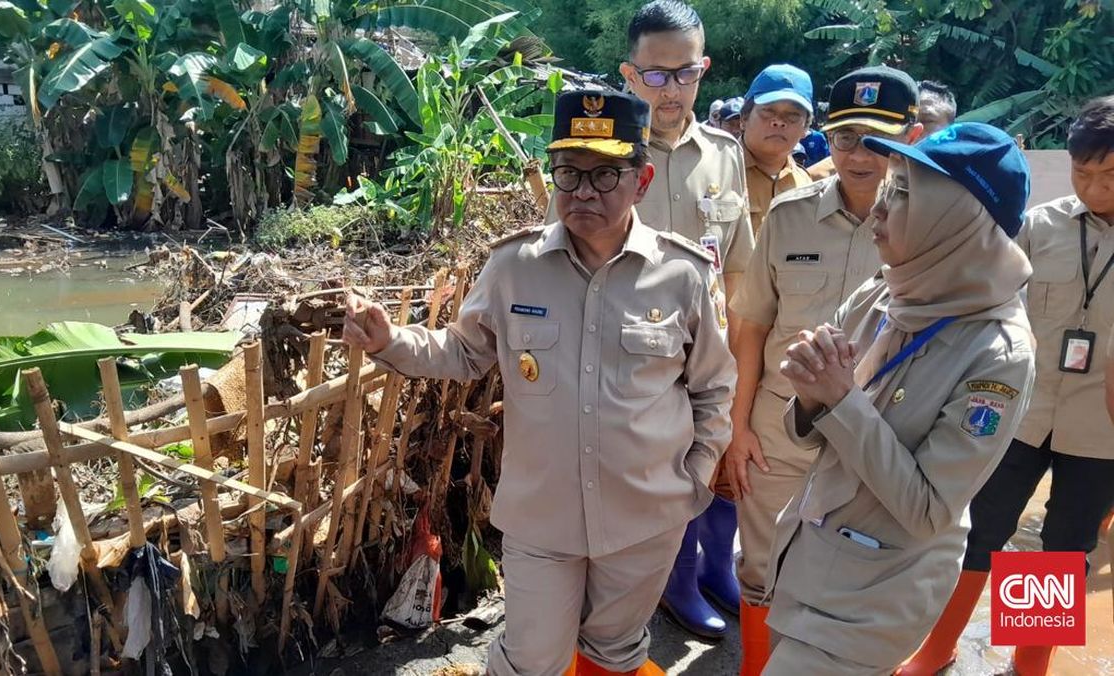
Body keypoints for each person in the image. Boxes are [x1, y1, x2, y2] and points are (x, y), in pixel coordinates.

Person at [344, 89, 737, 676]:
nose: (583, 191)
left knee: (616, 651)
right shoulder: (513, 266)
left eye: (606, 175)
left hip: (647, 515)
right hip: (542, 515)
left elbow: (713, 388)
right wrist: (388, 342)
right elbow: (465, 352)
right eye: (569, 172)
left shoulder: (683, 274)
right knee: (529, 659)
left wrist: (695, 479)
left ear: (643, 178)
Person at [762, 123, 1037, 675]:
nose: (880, 211)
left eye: (907, 196)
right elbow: (814, 423)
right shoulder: (892, 288)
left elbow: (929, 508)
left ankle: (1031, 660)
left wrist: (839, 400)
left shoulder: (1000, 352)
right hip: (812, 556)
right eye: (894, 188)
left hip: (875, 591)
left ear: (956, 221)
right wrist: (814, 392)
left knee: (1060, 548)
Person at [899, 96, 1114, 676]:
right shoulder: (1040, 226)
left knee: (1063, 551)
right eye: (1083, 173)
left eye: (1110, 175)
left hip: (1102, 430)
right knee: (981, 533)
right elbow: (984, 294)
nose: (1094, 187)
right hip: (1018, 411)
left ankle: (1028, 667)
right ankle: (936, 650)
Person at [726, 65, 923, 676]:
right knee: (761, 571)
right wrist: (736, 428)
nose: (858, 155)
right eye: (843, 138)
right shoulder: (789, 215)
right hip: (781, 436)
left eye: (876, 141)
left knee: (868, 581)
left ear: (912, 138)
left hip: (881, 445)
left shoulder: (936, 227)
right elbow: (752, 327)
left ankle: (1025, 658)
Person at [612, 0, 754, 639]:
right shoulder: (605, 148)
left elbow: (740, 268)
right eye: (655, 74)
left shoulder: (724, 154)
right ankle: (667, 587)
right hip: (630, 351)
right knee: (647, 480)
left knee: (712, 461)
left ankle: (707, 574)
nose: (671, 89)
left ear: (704, 69)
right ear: (629, 72)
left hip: (706, 350)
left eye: (686, 73)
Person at [740, 64, 814, 234]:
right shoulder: (719, 173)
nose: (779, 121)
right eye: (768, 111)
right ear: (744, 118)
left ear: (806, 129)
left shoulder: (805, 185)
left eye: (793, 116)